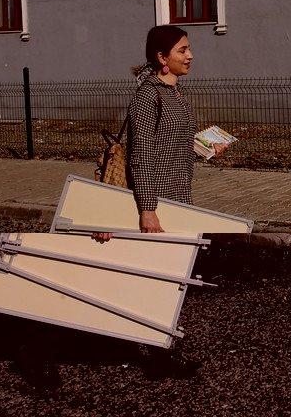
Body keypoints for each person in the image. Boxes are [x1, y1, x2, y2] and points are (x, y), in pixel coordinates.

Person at [93, 24, 229, 379]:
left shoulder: (177, 94)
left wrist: (205, 150)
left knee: (165, 278)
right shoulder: (147, 97)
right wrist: (148, 209)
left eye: (189, 49)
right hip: (154, 201)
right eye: (182, 50)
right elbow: (142, 156)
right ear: (161, 57)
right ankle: (157, 354)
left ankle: (151, 348)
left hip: (177, 197)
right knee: (160, 277)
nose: (190, 56)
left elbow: (175, 144)